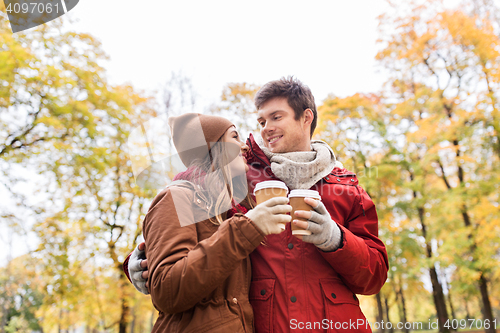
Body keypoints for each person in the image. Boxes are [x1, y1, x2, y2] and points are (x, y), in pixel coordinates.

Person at [127, 77, 389, 333]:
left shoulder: (347, 187)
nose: (265, 128)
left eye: (276, 117)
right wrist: (138, 262)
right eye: (261, 121)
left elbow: (374, 276)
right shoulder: (238, 180)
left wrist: (336, 239)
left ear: (306, 117)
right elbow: (191, 228)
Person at [134, 113, 293, 333]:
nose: (244, 146)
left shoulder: (230, 209)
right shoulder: (177, 197)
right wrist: (247, 228)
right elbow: (167, 291)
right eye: (235, 136)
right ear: (212, 148)